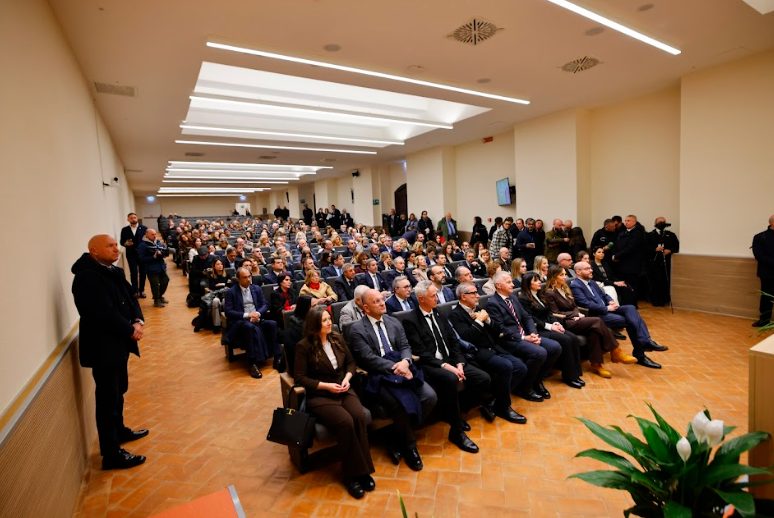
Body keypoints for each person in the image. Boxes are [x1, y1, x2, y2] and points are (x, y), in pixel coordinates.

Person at [71, 234, 148, 470]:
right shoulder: (87, 278)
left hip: (118, 344)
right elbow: (101, 313)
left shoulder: (112, 271)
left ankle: (120, 431)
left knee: (119, 391)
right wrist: (129, 330)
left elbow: (130, 297)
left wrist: (137, 320)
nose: (117, 249)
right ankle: (111, 453)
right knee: (107, 399)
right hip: (104, 347)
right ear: (93, 251)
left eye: (117, 245)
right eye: (111, 246)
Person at [346, 289, 437, 471]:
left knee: (429, 396)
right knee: (397, 405)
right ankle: (409, 446)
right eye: (376, 302)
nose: (382, 303)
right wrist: (395, 368)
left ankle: (396, 436)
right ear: (365, 307)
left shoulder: (393, 321)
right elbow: (367, 358)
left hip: (402, 368)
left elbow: (405, 346)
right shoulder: (356, 329)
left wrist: (405, 362)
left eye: (382, 299)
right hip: (378, 374)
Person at [294, 306, 375, 499]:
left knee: (359, 416)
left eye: (329, 318)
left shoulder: (337, 338)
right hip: (321, 395)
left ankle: (361, 471)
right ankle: (352, 475)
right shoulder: (303, 346)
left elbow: (351, 363)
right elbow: (300, 379)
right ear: (314, 324)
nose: (329, 322)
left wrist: (347, 378)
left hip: (343, 388)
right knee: (345, 422)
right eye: (324, 320)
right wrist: (326, 386)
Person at [401, 281, 489, 453]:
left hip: (451, 361)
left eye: (436, 294)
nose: (437, 298)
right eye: (433, 296)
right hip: (430, 364)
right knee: (451, 379)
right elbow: (421, 353)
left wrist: (459, 363)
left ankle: (457, 412)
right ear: (421, 299)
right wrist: (448, 367)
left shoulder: (439, 313)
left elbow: (453, 341)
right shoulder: (410, 320)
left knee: (483, 379)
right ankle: (456, 432)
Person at [448, 282, 528, 424]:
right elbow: (467, 338)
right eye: (473, 293)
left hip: (494, 347)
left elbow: (498, 330)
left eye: (477, 292)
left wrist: (488, 319)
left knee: (521, 367)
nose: (478, 295)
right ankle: (504, 407)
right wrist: (479, 321)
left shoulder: (479, 308)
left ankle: (495, 401)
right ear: (463, 296)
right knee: (506, 366)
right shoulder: (455, 315)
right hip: (477, 352)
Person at [570, 262, 666, 369]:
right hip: (597, 315)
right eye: (587, 269)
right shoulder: (575, 285)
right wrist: (606, 308)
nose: (591, 270)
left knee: (630, 308)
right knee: (630, 321)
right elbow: (585, 303)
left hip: (609, 309)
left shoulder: (591, 282)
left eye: (591, 268)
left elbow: (604, 295)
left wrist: (610, 301)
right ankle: (642, 350)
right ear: (578, 272)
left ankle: (644, 342)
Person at [542, 265, 633, 379]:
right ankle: (615, 351)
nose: (565, 277)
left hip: (576, 319)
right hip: (565, 322)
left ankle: (596, 364)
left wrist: (577, 313)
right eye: (561, 275)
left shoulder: (565, 288)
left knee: (594, 331)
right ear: (554, 277)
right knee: (597, 321)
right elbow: (554, 313)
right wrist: (574, 315)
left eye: (565, 274)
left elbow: (574, 306)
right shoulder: (550, 292)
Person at [486, 271, 561, 402]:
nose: (512, 284)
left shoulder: (513, 297)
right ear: (498, 285)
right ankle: (525, 388)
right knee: (540, 353)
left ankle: (536, 381)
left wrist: (533, 333)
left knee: (555, 347)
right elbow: (500, 328)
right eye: (508, 282)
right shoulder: (493, 303)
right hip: (509, 340)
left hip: (526, 335)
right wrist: (523, 337)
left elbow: (527, 317)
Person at [518, 271, 584, 388]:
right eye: (536, 280)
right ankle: (569, 377)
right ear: (528, 284)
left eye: (539, 279)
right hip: (539, 329)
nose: (540, 282)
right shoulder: (523, 298)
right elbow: (531, 318)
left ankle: (576, 373)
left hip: (549, 325)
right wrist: (550, 326)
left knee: (573, 338)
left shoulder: (539, 294)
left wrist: (556, 323)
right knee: (566, 340)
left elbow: (549, 312)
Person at [224, 267, 281, 378]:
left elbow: (265, 305)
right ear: (238, 279)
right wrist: (248, 315)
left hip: (257, 318)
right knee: (249, 327)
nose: (248, 280)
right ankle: (252, 363)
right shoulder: (231, 292)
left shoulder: (256, 289)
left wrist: (257, 314)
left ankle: (277, 357)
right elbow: (228, 312)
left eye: (249, 276)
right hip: (241, 322)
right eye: (245, 278)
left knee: (272, 324)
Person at [646, 217, 680, 306]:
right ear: (655, 223)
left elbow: (677, 246)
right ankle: (655, 301)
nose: (662, 223)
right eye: (659, 222)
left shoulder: (671, 235)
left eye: (663, 222)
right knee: (654, 282)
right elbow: (644, 248)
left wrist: (670, 250)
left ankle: (665, 300)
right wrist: (654, 249)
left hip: (667, 263)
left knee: (665, 282)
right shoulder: (649, 235)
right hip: (653, 263)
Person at [137, 229, 169, 308]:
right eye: (152, 234)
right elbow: (141, 259)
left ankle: (159, 296)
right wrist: (153, 257)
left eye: (155, 234)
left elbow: (165, 253)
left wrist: (163, 253)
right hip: (151, 268)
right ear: (147, 235)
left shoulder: (158, 242)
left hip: (161, 267)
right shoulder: (142, 245)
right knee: (155, 285)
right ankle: (156, 300)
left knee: (165, 281)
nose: (154, 236)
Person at [752, 214, 774, 327]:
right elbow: (759, 255)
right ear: (772, 223)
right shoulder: (760, 237)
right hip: (767, 273)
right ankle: (764, 320)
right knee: (766, 297)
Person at [119, 213, 147, 298]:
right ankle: (135, 291)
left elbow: (147, 240)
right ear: (128, 220)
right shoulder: (124, 229)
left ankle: (141, 290)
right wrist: (125, 243)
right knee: (133, 272)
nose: (133, 219)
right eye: (131, 218)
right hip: (131, 254)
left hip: (142, 254)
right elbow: (121, 241)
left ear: (137, 218)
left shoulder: (144, 228)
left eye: (134, 217)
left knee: (143, 273)